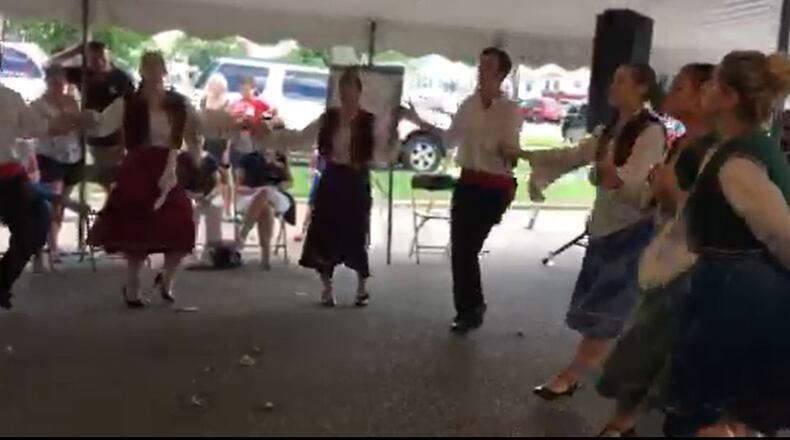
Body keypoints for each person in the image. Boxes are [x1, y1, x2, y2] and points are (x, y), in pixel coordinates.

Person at [663, 51, 790, 437]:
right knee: (718, 405)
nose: (705, 90)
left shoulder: (738, 161)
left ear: (732, 97)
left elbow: (782, 234)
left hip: (738, 290)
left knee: (705, 406)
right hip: (735, 285)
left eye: (714, 83)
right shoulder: (741, 148)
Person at [526, 63, 666, 400]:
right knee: (603, 311)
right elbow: (573, 155)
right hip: (606, 230)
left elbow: (638, 186)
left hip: (631, 232)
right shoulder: (611, 130)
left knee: (606, 312)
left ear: (642, 88)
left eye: (621, 80)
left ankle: (573, 376)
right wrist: (530, 157)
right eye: (613, 79)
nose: (612, 86)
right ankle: (622, 378)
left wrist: (612, 177)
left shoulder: (650, 132)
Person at [594, 63, 716, 437]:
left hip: (687, 264)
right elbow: (652, 200)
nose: (670, 93)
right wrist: (641, 188)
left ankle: (627, 421)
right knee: (648, 347)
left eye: (679, 88)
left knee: (649, 347)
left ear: (704, 94)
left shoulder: (712, 150)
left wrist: (669, 191)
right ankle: (625, 420)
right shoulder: (681, 143)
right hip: (665, 255)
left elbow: (709, 216)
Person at [403, 47, 523, 334]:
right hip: (468, 183)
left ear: (501, 74)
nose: (481, 71)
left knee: (468, 247)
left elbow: (513, 155)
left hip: (494, 187)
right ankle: (468, 310)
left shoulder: (510, 110)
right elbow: (449, 140)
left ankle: (473, 307)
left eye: (488, 66)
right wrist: (418, 121)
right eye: (480, 65)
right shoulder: (469, 105)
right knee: (461, 249)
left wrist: (508, 153)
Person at [83, 51, 203, 308]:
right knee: (136, 231)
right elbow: (102, 126)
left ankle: (167, 280)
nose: (154, 72)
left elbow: (198, 127)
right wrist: (84, 119)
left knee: (181, 225)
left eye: (158, 67)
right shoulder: (128, 102)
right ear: (141, 71)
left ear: (164, 71)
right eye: (148, 67)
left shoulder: (178, 103)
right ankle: (132, 287)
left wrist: (205, 143)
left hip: (168, 167)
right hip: (138, 168)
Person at [260, 68, 375, 307]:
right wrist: (272, 136)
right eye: (342, 90)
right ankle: (327, 288)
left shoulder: (367, 121)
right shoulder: (329, 118)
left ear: (359, 92)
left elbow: (381, 150)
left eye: (350, 89)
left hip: (356, 180)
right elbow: (302, 138)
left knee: (355, 232)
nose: (345, 94)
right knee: (324, 231)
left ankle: (361, 287)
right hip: (333, 177)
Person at [0, 74, 76, 309]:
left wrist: (70, 121)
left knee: (36, 223)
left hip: (6, 174)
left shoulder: (9, 97)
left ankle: (1, 281)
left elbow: (36, 128)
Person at [52, 41, 135, 194]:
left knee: (111, 179)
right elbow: (50, 66)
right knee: (75, 176)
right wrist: (74, 51)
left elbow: (130, 110)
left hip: (113, 138)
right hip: (86, 134)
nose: (98, 63)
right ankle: (61, 206)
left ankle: (115, 205)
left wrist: (126, 142)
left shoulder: (121, 78)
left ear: (108, 55)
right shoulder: (82, 74)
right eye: (93, 59)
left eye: (102, 58)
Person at [31, 64, 83, 262]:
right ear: (47, 82)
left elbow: (79, 126)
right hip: (50, 157)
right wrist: (64, 123)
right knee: (54, 203)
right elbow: (44, 131)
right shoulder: (38, 106)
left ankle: (54, 242)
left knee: (63, 202)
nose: (59, 87)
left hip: (73, 155)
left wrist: (77, 122)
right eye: (54, 83)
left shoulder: (71, 101)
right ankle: (50, 246)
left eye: (61, 82)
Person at [234, 149, 295, 269]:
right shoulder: (247, 158)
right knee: (265, 205)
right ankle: (265, 258)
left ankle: (244, 232)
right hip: (251, 196)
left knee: (265, 193)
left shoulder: (281, 159)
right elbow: (238, 187)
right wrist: (255, 190)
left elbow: (289, 183)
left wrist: (279, 185)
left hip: (276, 196)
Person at [199, 73, 233, 217]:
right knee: (206, 171)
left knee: (224, 174)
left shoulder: (227, 103)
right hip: (207, 140)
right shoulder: (204, 100)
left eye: (219, 86)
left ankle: (227, 209)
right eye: (214, 85)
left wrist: (227, 150)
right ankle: (206, 202)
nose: (216, 88)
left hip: (221, 142)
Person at [228, 76, 276, 171]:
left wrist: (263, 120)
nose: (245, 92)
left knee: (252, 168)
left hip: (254, 139)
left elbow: (271, 117)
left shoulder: (261, 103)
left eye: (247, 89)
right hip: (239, 138)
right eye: (242, 89)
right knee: (237, 167)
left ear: (254, 89)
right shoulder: (236, 104)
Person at [295, 150, 325, 242]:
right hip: (319, 183)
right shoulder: (319, 155)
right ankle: (304, 231)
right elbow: (312, 167)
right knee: (311, 206)